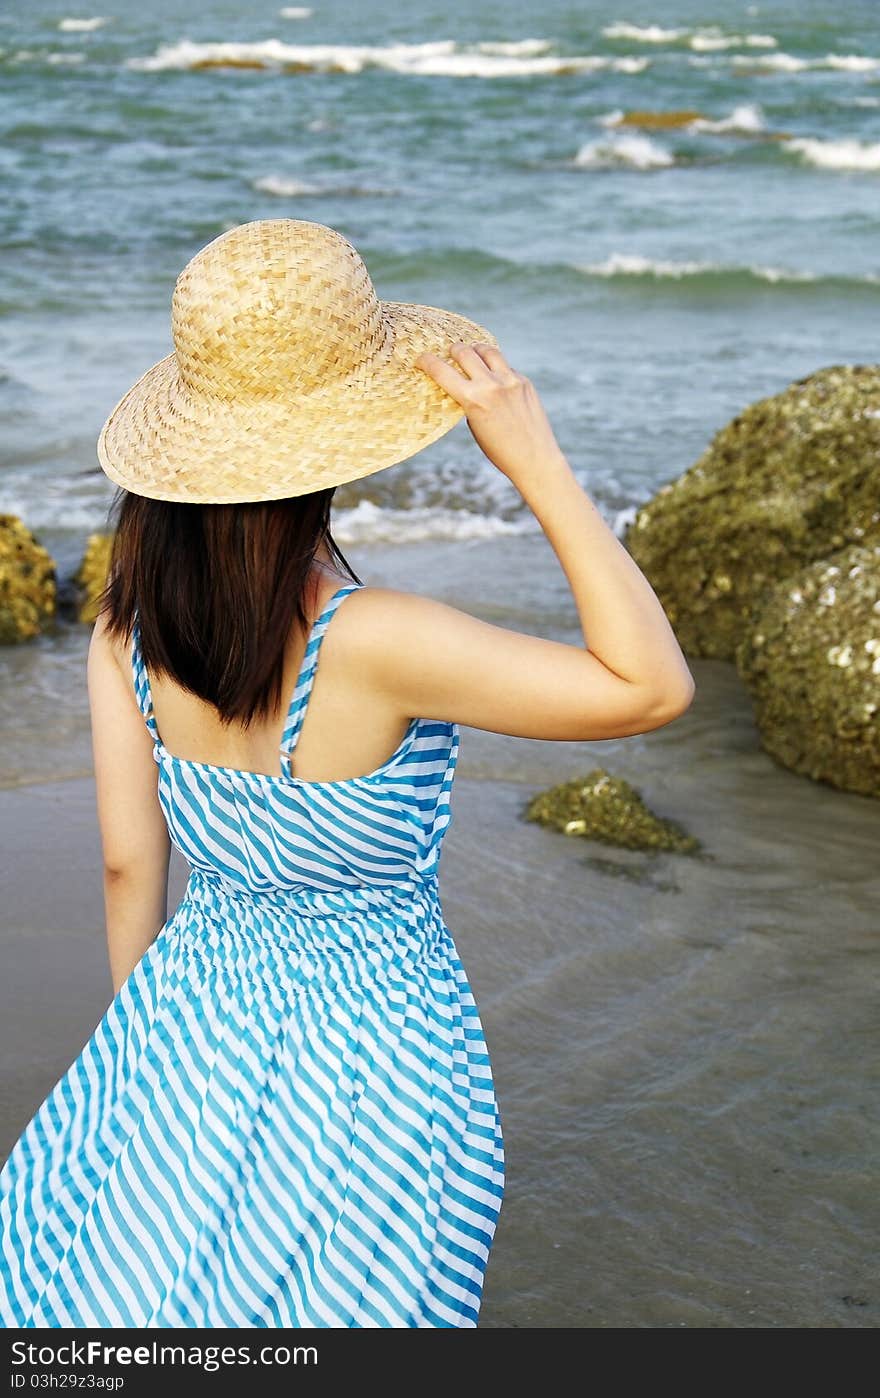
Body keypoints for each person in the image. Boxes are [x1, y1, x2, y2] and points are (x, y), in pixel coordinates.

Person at [0, 219, 694, 1329]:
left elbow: (131, 865)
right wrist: (537, 466)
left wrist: (146, 1045)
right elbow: (647, 687)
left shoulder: (124, 630)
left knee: (131, 1290)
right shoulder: (380, 640)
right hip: (374, 1047)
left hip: (189, 1009)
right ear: (340, 445)